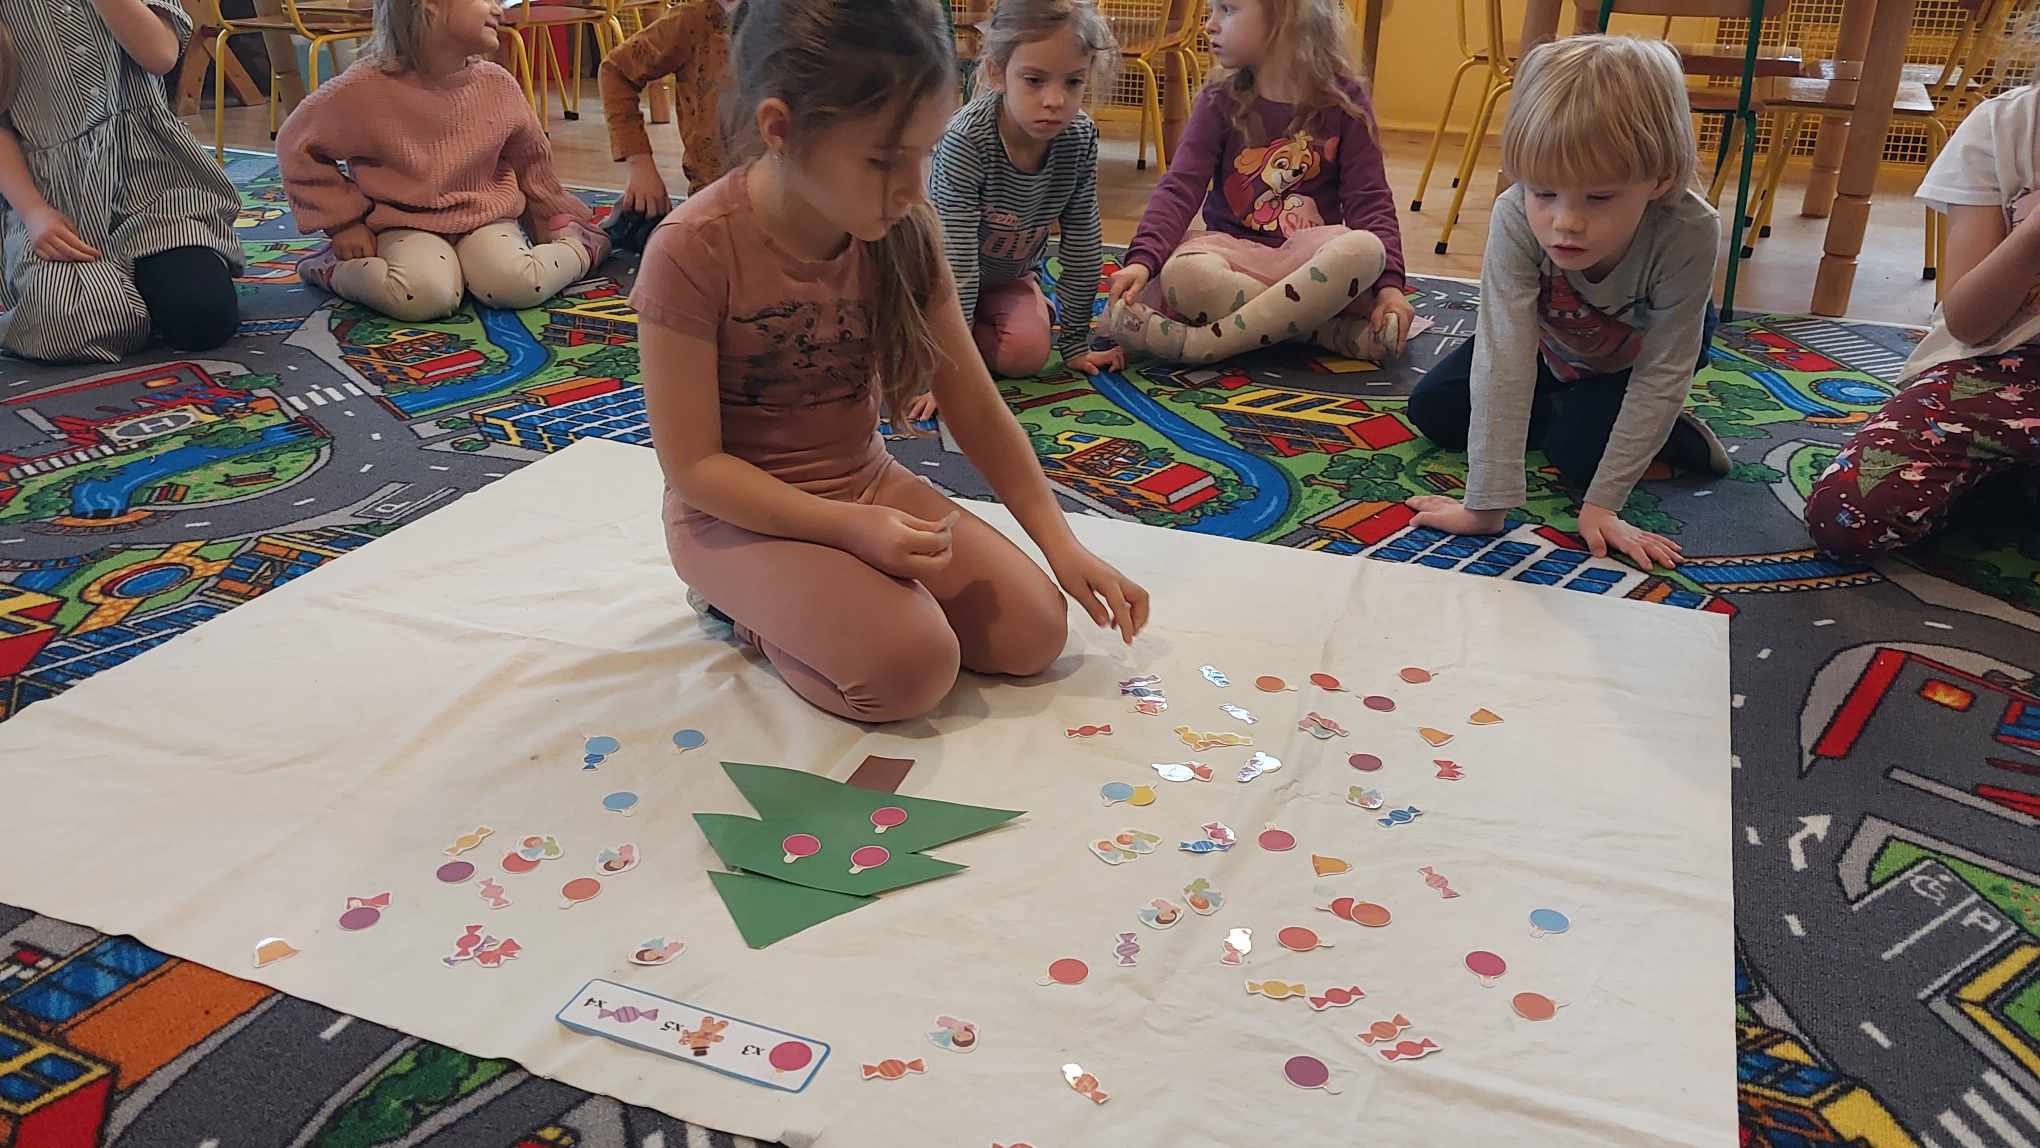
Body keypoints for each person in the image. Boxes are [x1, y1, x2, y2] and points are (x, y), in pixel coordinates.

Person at [635, 0, 1149, 723]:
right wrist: (847, 531)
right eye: (883, 159)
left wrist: (1061, 545)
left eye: (925, 151)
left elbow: (976, 408)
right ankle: (739, 609)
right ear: (781, 129)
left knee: (1035, 632)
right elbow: (694, 469)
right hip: (732, 519)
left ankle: (827, 602)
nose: (913, 187)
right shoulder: (692, 249)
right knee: (911, 670)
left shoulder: (902, 228)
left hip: (863, 484)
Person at [1402, 35, 1729, 571]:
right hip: (1552, 339)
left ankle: (1670, 434)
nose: (1566, 222)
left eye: (1599, 197)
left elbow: (1663, 369)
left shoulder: (1690, 230)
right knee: (1435, 409)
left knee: (1578, 456)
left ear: (1660, 179)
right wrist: (1485, 505)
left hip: (1632, 355)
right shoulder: (1514, 215)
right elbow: (1504, 353)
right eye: (1544, 193)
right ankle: (1573, 412)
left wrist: (1603, 505)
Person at [1803, 81, 2040, 561]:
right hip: (2001, 366)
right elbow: (1969, 322)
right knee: (1846, 516)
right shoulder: (2006, 124)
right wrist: (2032, 234)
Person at [1099, 0, 1411, 366]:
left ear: (1287, 16)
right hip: (1232, 258)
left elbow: (1369, 199)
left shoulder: (1345, 100)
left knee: (1366, 250)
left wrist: (1390, 287)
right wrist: (1142, 261)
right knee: (1184, 275)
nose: (1210, 25)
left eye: (1228, 10)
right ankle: (1324, 332)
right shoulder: (1220, 97)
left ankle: (1198, 345)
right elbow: (1180, 188)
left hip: (1309, 263)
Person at [276, 0, 610, 322]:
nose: (499, 9)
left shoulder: (498, 84)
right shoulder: (361, 89)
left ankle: (581, 247)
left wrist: (551, 218)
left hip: (486, 219)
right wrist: (343, 224)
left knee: (515, 283)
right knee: (425, 295)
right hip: (402, 223)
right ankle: (333, 268)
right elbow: (295, 143)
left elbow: (532, 162)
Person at [0, 1, 243, 363]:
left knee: (202, 317)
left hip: (153, 183)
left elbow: (160, 56)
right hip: (55, 198)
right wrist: (34, 212)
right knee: (73, 324)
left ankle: (161, 271)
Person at [917, 0, 1121, 422]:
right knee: (876, 343)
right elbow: (954, 264)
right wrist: (947, 372)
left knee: (1026, 354)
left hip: (1007, 276)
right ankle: (941, 341)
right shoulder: (966, 141)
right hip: (933, 279)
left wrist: (1075, 344)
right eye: (1034, 80)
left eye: (1073, 82)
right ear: (997, 73)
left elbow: (1083, 242)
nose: (1055, 100)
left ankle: (991, 325)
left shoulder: (1078, 137)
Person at [600, 0, 738, 215]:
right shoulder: (695, 20)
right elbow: (616, 70)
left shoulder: (789, 21)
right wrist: (639, 164)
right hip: (714, 202)